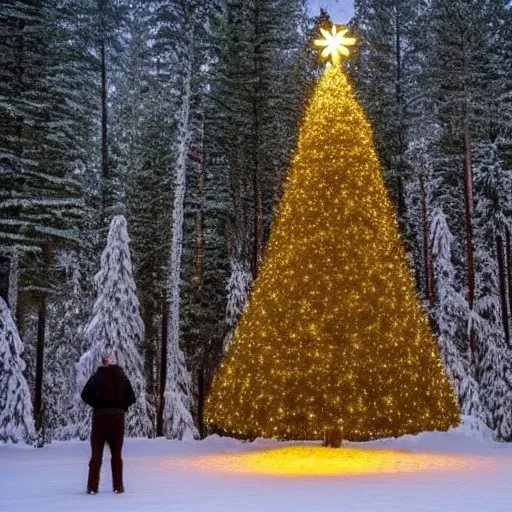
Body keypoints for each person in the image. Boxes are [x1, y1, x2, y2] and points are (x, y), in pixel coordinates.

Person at [81, 348, 136, 495]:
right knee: (117, 455)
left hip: (100, 418)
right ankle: (118, 486)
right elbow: (132, 398)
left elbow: (84, 395)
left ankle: (92, 487)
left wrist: (97, 405)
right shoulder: (122, 377)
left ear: (103, 361)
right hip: (118, 419)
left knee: (96, 455)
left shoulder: (97, 377)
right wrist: (121, 408)